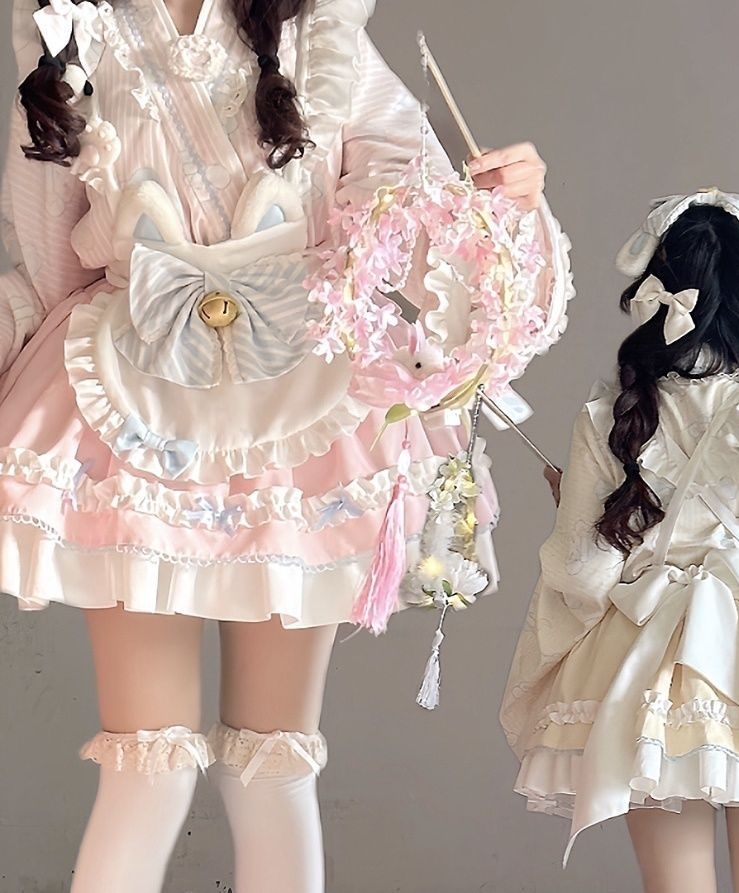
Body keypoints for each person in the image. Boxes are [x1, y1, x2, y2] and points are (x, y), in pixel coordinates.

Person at [0, 0, 573, 888]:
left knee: (271, 762)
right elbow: (46, 252)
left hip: (296, 406)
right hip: (135, 402)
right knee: (149, 765)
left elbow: (416, 207)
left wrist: (505, 201)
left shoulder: (318, 28)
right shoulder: (72, 26)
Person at [501, 190, 739, 893]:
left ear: (655, 290)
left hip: (648, 649)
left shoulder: (613, 413)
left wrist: (587, 520)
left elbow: (583, 572)